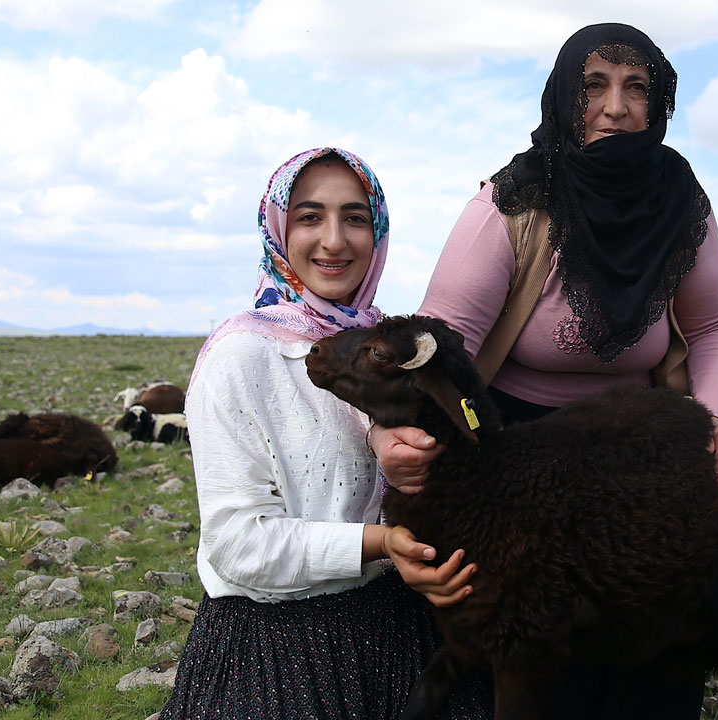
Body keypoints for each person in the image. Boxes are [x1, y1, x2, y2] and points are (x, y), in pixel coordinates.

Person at [372, 23, 718, 719]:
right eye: (594, 85)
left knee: (656, 645)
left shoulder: (680, 201)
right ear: (562, 97)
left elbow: (717, 325)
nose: (615, 107)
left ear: (659, 103)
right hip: (520, 453)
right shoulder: (512, 203)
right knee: (539, 654)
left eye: (637, 87)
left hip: (634, 443)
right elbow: (439, 345)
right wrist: (387, 436)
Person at [158, 147, 490, 720]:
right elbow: (236, 544)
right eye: (310, 217)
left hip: (402, 629)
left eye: (355, 217)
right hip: (278, 651)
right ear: (278, 228)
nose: (334, 240)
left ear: (378, 230)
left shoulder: (387, 347)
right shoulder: (241, 357)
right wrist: (382, 546)